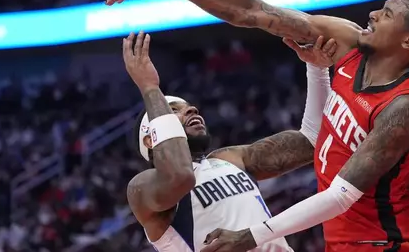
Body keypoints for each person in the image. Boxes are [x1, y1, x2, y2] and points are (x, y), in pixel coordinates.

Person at [107, 0, 409, 251]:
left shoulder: (407, 105)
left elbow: (326, 171)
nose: (373, 14)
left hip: (381, 241)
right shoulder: (147, 188)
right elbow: (254, 12)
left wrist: (252, 235)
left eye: (387, 14)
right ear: (153, 135)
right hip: (345, 238)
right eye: (175, 110)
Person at [123, 30, 340, 251]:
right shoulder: (143, 188)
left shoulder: (229, 159)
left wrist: (317, 69)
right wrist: (150, 88)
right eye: (173, 111)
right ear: (151, 140)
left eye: (187, 105)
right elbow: (180, 176)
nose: (191, 109)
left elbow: (314, 140)